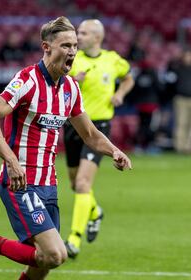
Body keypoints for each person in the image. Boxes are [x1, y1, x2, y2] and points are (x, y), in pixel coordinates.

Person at [0, 16, 132, 280]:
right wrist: (11, 160)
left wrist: (114, 151)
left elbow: (89, 133)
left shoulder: (71, 88)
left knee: (41, 265)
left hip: (49, 186)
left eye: (75, 45)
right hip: (21, 183)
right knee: (56, 255)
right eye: (65, 45)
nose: (73, 51)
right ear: (46, 47)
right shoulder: (27, 80)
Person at [63, 19, 134, 258]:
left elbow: (128, 77)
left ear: (97, 37)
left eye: (83, 33)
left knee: (83, 183)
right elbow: (56, 86)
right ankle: (94, 212)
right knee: (75, 184)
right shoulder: (72, 61)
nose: (78, 37)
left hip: (99, 127)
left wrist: (120, 94)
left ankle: (73, 240)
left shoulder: (113, 60)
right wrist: (73, 81)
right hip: (74, 125)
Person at [172, 48, 191, 154]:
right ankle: (179, 146)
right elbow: (171, 84)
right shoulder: (177, 69)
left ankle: (188, 147)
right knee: (181, 123)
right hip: (181, 99)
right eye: (186, 56)